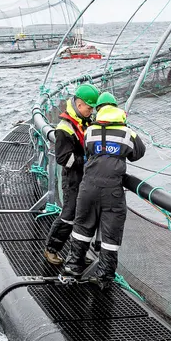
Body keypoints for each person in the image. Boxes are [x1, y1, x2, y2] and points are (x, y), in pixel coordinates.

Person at [63, 96, 146, 289]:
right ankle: (104, 278)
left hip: (88, 187)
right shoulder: (127, 133)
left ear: (99, 110)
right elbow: (138, 153)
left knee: (82, 227)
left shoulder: (90, 131)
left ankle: (73, 267)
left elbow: (88, 151)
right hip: (112, 192)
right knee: (110, 235)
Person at [43, 83, 99, 265]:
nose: (91, 111)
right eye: (89, 108)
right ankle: (51, 249)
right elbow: (63, 158)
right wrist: (87, 160)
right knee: (69, 214)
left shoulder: (87, 122)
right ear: (79, 104)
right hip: (73, 179)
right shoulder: (65, 128)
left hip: (86, 178)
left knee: (84, 216)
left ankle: (79, 255)